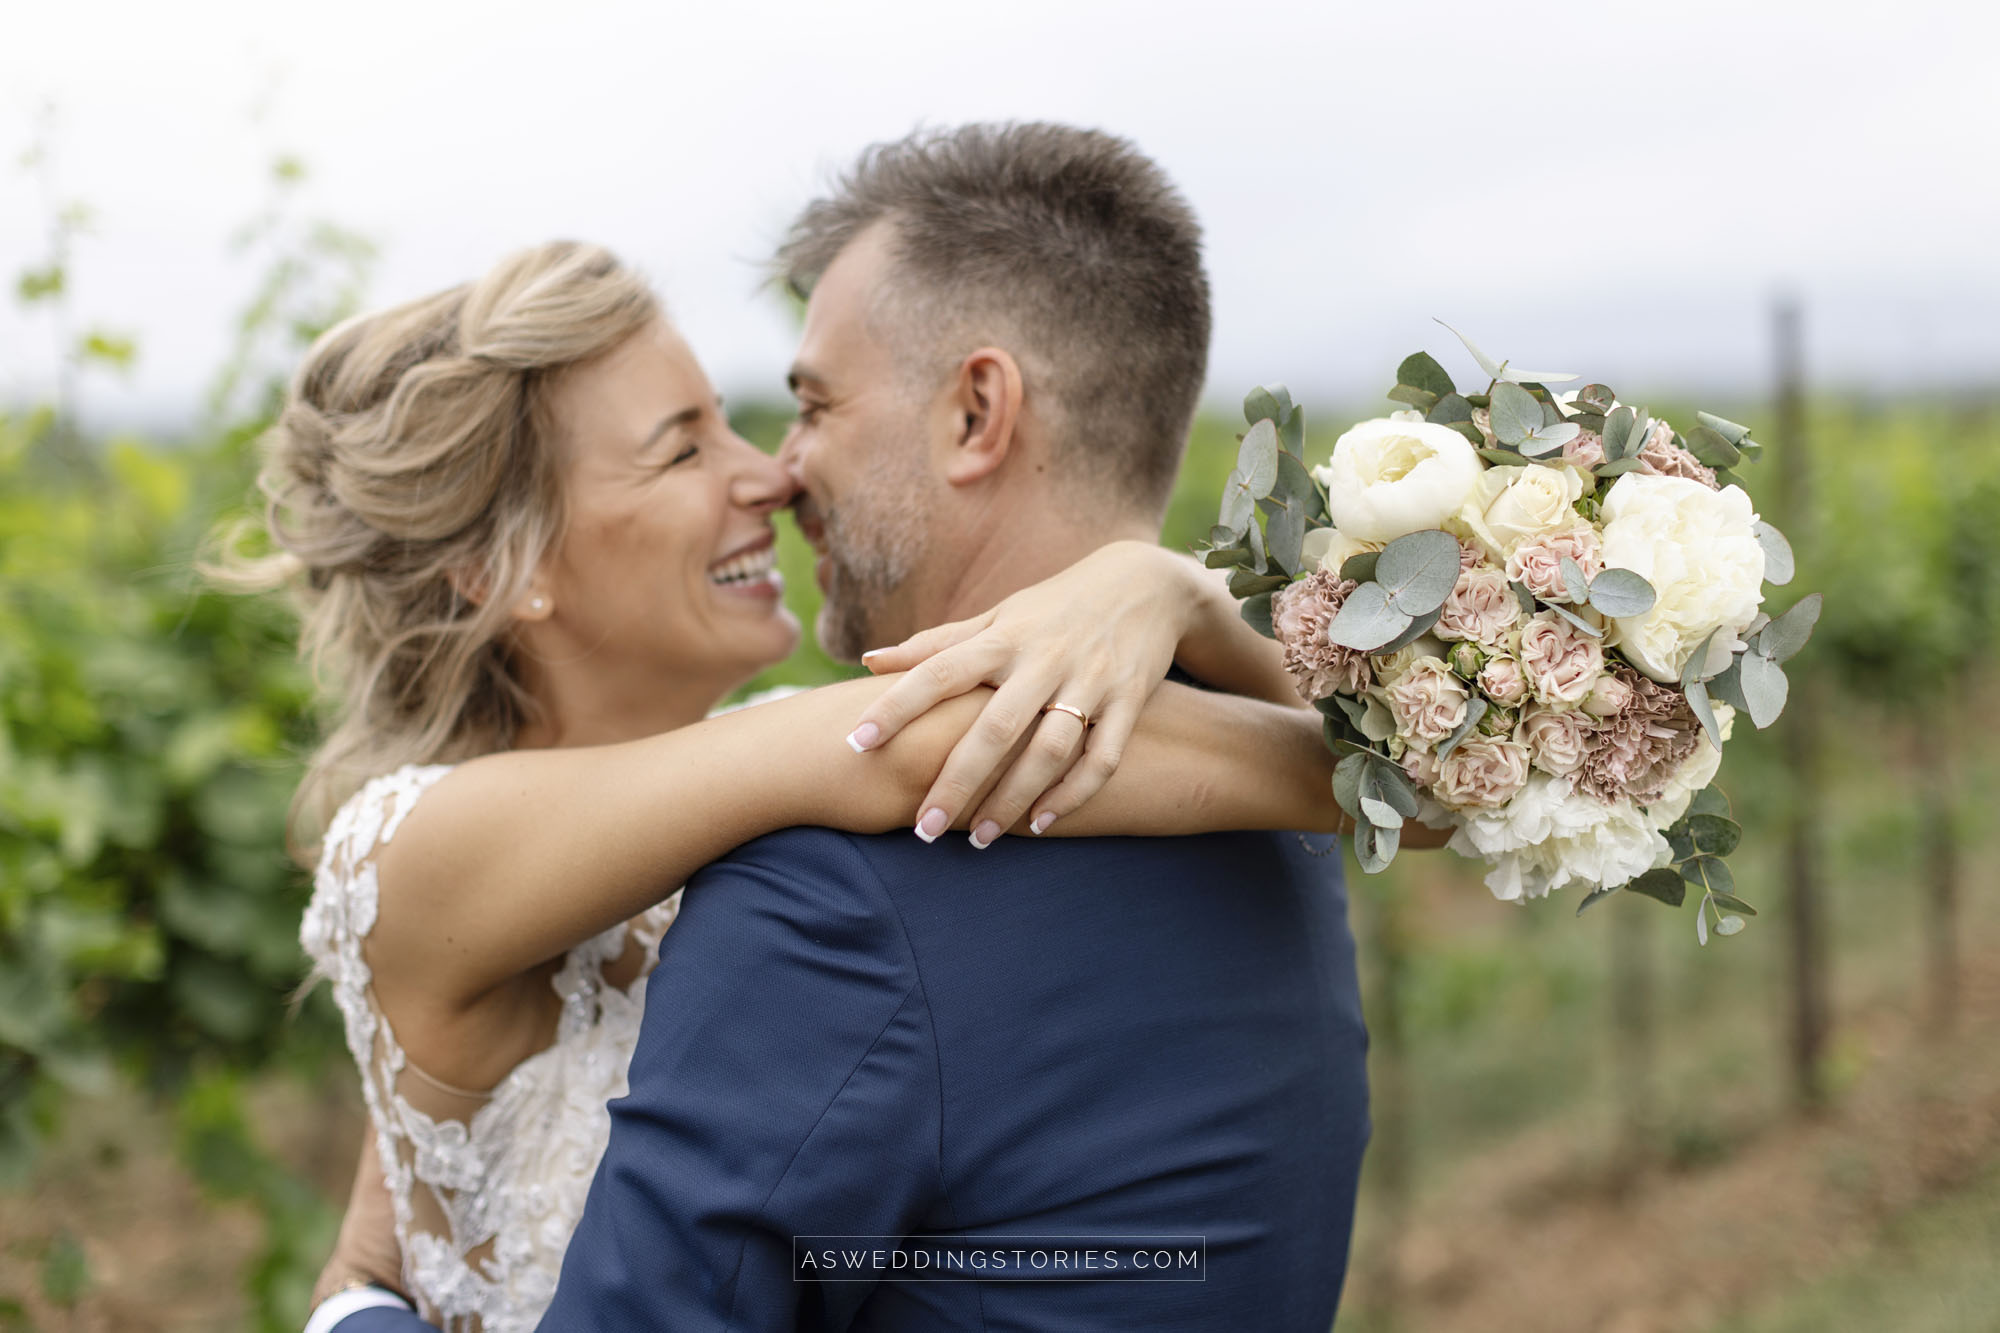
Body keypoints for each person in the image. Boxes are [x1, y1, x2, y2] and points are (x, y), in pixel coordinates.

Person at [285, 126, 1433, 1333]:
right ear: (499, 567)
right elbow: (940, 737)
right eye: (682, 447)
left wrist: (1167, 595)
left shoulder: (787, 806)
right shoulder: (423, 845)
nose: (768, 477)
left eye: (778, 411)